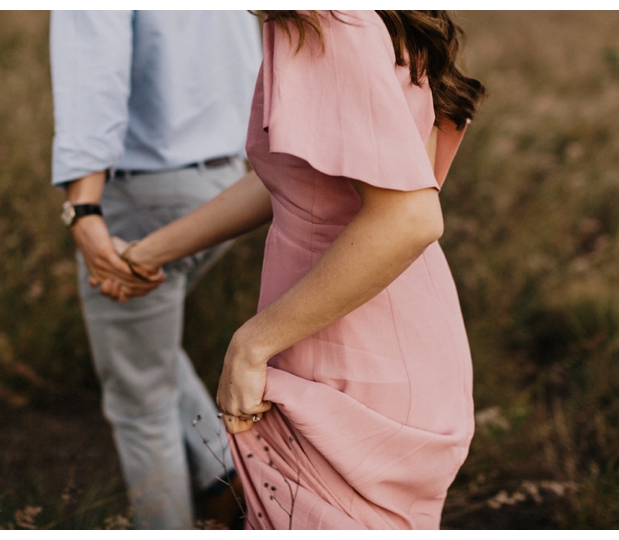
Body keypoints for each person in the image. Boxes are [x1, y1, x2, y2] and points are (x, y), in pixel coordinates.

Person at [114, 10, 485, 529]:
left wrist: (251, 345)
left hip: (354, 355)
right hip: (371, 331)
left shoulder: (328, 26)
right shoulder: (313, 21)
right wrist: (152, 252)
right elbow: (298, 180)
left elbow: (410, 217)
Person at [49, 11, 261, 529]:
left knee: (139, 404)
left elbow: (93, 73)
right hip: (229, 183)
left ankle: (217, 493)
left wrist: (83, 206)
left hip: (144, 196)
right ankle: (225, 471)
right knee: (147, 350)